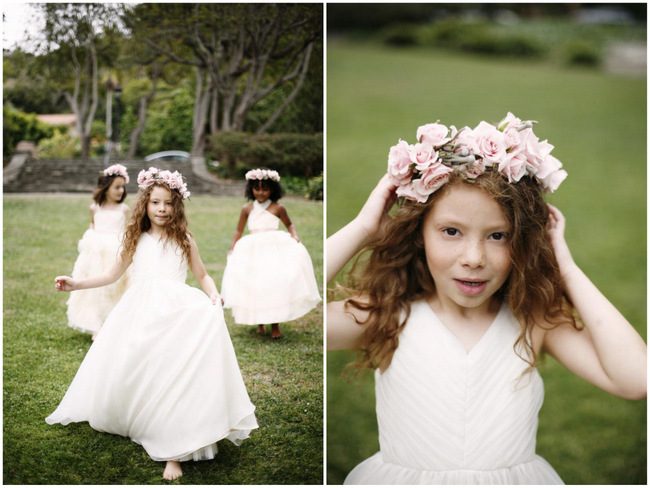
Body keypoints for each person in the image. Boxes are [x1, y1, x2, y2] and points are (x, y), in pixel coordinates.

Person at [327, 113, 647, 485]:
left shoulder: (534, 320)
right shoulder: (386, 315)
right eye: (451, 231)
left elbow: (637, 380)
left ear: (523, 242)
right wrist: (364, 228)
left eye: (498, 236)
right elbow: (299, 312)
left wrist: (567, 270)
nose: (474, 258)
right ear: (419, 234)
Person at [49, 167, 258, 481]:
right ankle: (142, 417)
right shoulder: (134, 238)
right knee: (141, 369)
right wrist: (76, 283)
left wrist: (214, 294)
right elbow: (111, 275)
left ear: (177, 206)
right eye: (156, 202)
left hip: (178, 310)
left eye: (168, 203)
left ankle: (173, 451)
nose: (162, 209)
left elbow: (201, 274)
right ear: (145, 204)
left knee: (174, 373)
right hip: (141, 310)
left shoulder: (183, 238)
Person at [221, 168, 321, 339]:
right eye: (257, 188)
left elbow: (289, 224)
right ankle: (260, 323)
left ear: (273, 189)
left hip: (273, 249)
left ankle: (275, 325)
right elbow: (239, 230)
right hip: (253, 250)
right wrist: (233, 247)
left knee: (273, 284)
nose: (261, 193)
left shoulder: (278, 208)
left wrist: (294, 235)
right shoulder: (247, 209)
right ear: (251, 189)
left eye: (265, 189)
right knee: (256, 284)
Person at [66, 164, 131, 339]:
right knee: (96, 289)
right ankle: (97, 324)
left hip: (115, 252)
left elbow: (126, 230)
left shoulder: (123, 209)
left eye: (122, 187)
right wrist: (91, 241)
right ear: (106, 187)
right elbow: (93, 226)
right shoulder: (95, 208)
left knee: (114, 287)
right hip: (97, 254)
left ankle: (113, 323)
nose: (120, 191)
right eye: (117, 187)